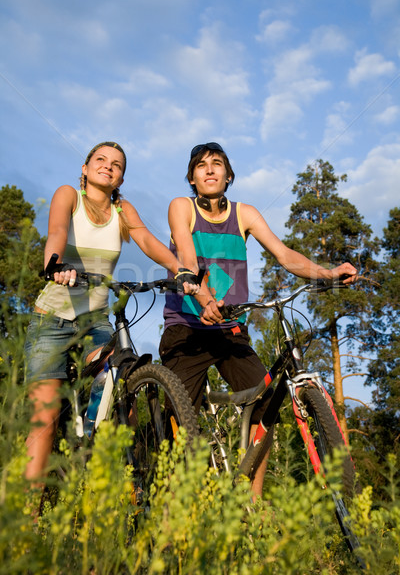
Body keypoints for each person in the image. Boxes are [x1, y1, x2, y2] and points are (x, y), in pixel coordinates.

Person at [159, 141, 358, 498]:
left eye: (217, 164)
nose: (209, 169)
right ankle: (165, 500)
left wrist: (327, 274)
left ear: (228, 175)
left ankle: (251, 505)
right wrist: (201, 294)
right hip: (187, 328)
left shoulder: (245, 214)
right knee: (176, 419)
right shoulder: (182, 207)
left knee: (265, 404)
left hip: (229, 329)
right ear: (191, 178)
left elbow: (284, 255)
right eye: (201, 165)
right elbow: (186, 255)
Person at [25, 141, 198, 495]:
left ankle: (128, 485)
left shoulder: (123, 210)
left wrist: (179, 269)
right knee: (42, 418)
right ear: (86, 168)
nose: (108, 166)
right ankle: (27, 515)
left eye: (116, 164)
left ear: (120, 177)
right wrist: (54, 262)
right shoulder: (68, 196)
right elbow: (57, 230)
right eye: (100, 160)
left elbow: (146, 240)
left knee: (123, 381)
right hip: (52, 321)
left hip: (96, 321)